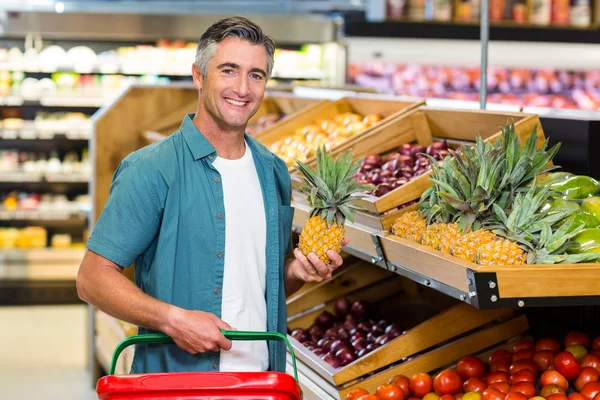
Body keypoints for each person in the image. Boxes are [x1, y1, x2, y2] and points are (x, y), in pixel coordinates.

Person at [76, 16, 348, 375]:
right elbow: (92, 279)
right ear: (199, 76)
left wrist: (296, 270)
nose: (242, 88)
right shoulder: (152, 169)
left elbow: (259, 287)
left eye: (256, 75)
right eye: (229, 70)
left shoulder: (274, 172)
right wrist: (174, 320)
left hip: (262, 382)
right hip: (178, 385)